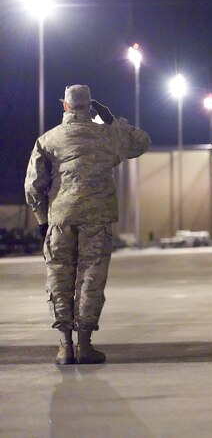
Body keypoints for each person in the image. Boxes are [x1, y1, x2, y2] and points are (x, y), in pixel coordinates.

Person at [24, 85, 151, 365]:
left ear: (66, 106)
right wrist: (111, 119)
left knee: (59, 277)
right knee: (91, 279)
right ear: (90, 107)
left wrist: (42, 220)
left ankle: (64, 347)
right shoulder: (107, 136)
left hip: (61, 218)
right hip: (97, 218)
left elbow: (33, 187)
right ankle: (84, 345)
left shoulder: (48, 140)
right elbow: (141, 142)